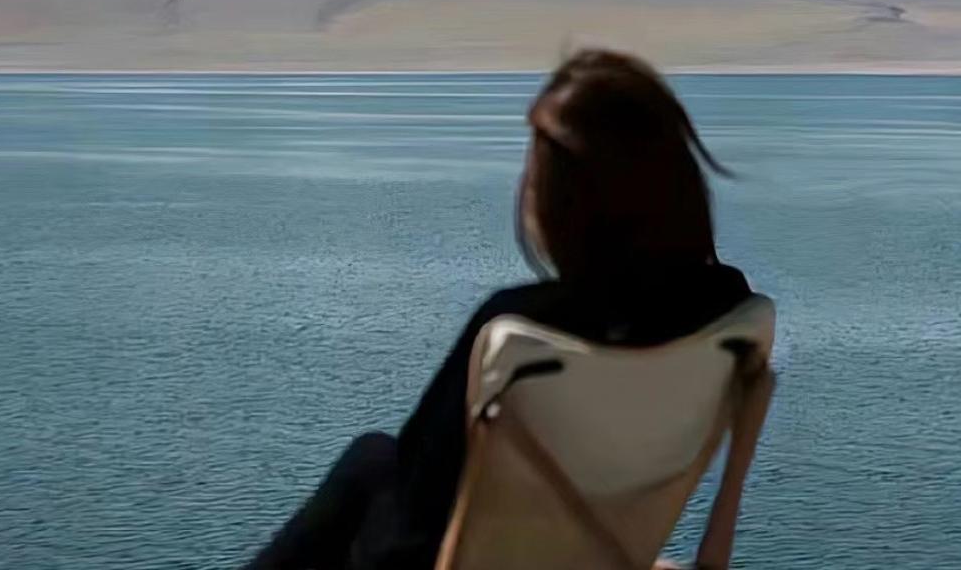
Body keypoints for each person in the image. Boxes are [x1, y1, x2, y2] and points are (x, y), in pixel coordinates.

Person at [245, 49, 753, 570]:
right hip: (591, 541)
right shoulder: (728, 309)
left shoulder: (524, 330)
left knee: (369, 466)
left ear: (565, 201)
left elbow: (413, 523)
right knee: (374, 458)